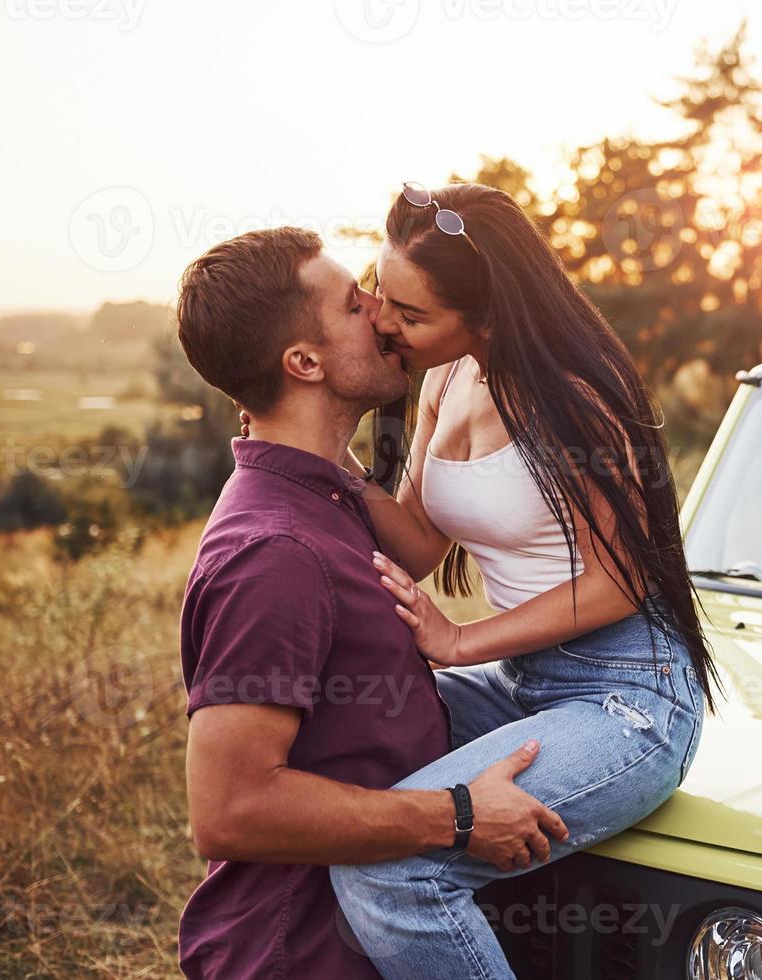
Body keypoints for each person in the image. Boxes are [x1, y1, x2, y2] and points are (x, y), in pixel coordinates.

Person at [324, 182, 716, 980]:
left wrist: (459, 639)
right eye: (380, 293)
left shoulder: (572, 396)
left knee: (388, 871)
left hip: (630, 698)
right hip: (524, 686)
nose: (382, 321)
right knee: (337, 760)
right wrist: (325, 458)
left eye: (411, 313)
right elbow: (421, 542)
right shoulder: (443, 378)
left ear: (489, 315)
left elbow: (621, 583)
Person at [174, 226, 567, 980]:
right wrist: (456, 816)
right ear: (305, 362)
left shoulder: (325, 495)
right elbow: (229, 808)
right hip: (306, 954)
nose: (384, 313)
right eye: (357, 303)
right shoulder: (276, 551)